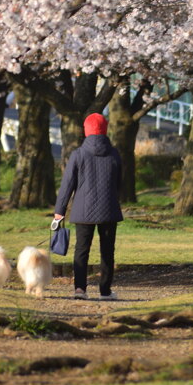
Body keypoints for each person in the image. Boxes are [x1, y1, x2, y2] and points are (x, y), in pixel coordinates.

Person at [53, 112, 123, 301]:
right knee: (107, 251)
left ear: (87, 131)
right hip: (109, 209)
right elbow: (119, 183)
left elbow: (67, 184)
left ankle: (80, 290)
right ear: (105, 130)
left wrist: (59, 212)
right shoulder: (115, 153)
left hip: (83, 210)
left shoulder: (78, 154)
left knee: (81, 250)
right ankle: (105, 291)